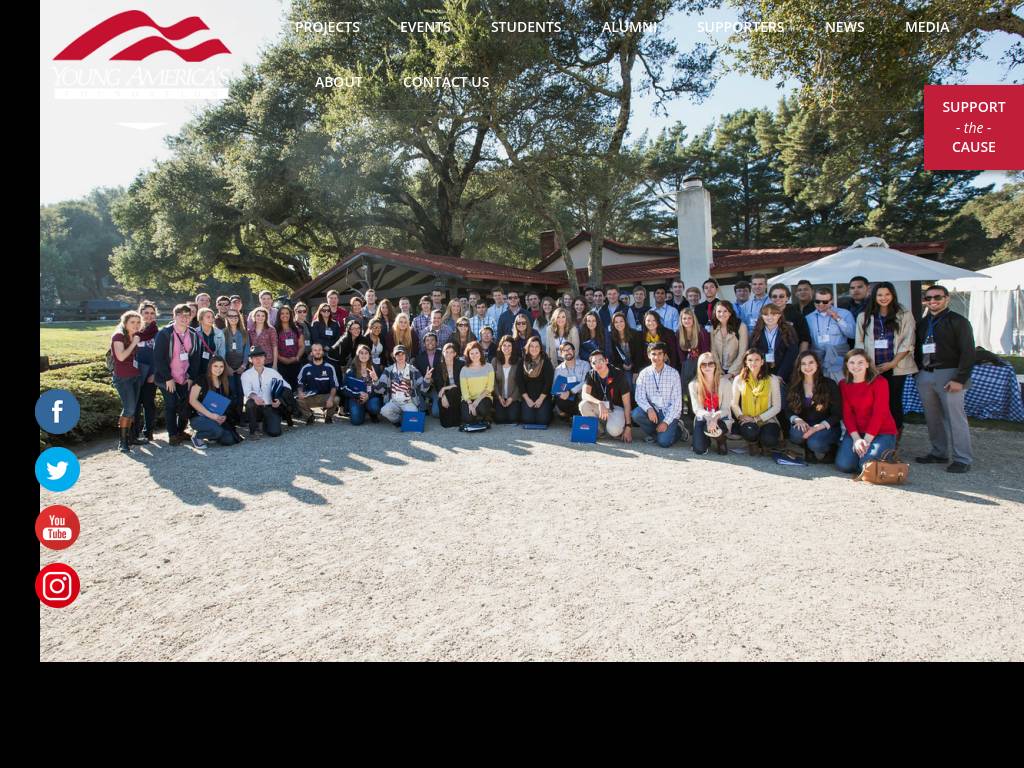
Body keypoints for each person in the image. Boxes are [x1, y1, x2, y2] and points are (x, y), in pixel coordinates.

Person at [913, 285, 975, 473]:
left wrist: (960, 379)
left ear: (947, 298)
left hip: (950, 374)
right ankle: (938, 452)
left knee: (955, 418)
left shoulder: (959, 321)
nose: (933, 301)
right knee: (933, 417)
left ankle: (962, 458)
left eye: (937, 297)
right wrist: (918, 373)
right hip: (926, 374)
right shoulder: (923, 323)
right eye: (928, 298)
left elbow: (968, 352)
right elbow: (917, 348)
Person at [855, 281, 917, 441]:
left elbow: (908, 341)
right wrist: (867, 365)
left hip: (896, 366)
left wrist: (893, 363)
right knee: (873, 403)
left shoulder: (904, 314)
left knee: (893, 402)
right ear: (874, 297)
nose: (883, 298)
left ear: (893, 295)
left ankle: (894, 439)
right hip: (872, 368)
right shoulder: (864, 316)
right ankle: (875, 435)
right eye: (880, 295)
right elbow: (859, 343)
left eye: (887, 294)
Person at [835, 349, 899, 474]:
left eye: (860, 362)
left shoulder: (880, 382)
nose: (856, 366)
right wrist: (857, 439)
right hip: (857, 432)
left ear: (867, 364)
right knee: (844, 466)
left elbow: (879, 413)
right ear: (847, 365)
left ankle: (885, 454)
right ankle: (865, 457)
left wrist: (867, 440)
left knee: (866, 465)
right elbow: (847, 414)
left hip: (882, 432)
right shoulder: (843, 384)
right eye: (852, 362)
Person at [153, 304, 203, 445]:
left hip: (184, 377)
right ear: (174, 316)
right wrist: (168, 378)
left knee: (185, 404)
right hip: (167, 377)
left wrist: (191, 377)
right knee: (171, 404)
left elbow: (195, 358)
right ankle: (172, 434)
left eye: (187, 315)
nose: (184, 318)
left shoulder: (193, 334)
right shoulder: (164, 334)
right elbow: (158, 358)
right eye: (181, 315)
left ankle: (181, 431)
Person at [785, 351, 842, 463]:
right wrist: (797, 419)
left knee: (815, 443)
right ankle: (808, 449)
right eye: (803, 364)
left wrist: (817, 427)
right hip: (805, 425)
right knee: (796, 434)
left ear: (817, 364)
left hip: (825, 426)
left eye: (811, 362)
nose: (807, 367)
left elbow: (837, 414)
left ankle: (830, 449)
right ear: (799, 367)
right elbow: (788, 410)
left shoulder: (829, 384)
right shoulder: (794, 385)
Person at [729, 349, 783, 456]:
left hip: (768, 419)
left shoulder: (772, 379)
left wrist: (756, 419)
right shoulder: (739, 379)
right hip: (747, 418)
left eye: (757, 360)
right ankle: (753, 443)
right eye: (750, 360)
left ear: (762, 362)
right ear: (745, 362)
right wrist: (740, 416)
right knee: (750, 432)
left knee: (769, 439)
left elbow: (777, 406)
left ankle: (764, 444)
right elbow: (734, 403)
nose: (753, 363)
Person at [632, 342, 682, 447]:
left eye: (660, 354)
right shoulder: (644, 374)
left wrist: (666, 422)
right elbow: (639, 397)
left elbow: (677, 403)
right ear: (649, 355)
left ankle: (678, 430)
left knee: (664, 443)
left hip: (667, 412)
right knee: (636, 414)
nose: (656, 357)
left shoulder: (674, 374)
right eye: (653, 354)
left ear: (665, 356)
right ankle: (656, 435)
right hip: (653, 410)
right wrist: (649, 409)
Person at [580, 349, 633, 442]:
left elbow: (627, 403)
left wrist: (628, 426)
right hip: (600, 406)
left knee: (614, 431)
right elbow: (584, 394)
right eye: (594, 362)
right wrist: (599, 403)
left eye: (600, 360)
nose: (598, 364)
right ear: (591, 365)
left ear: (606, 361)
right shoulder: (590, 374)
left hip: (615, 408)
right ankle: (600, 431)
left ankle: (614, 426)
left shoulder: (618, 374)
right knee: (583, 405)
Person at [188, 355, 242, 448]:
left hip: (216, 417)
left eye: (221, 366)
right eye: (215, 366)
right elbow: (192, 400)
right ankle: (197, 436)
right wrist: (211, 415)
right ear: (210, 366)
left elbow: (227, 404)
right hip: (199, 417)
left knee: (229, 440)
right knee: (218, 431)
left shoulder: (224, 382)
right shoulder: (201, 379)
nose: (218, 369)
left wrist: (224, 416)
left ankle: (212, 433)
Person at [110, 310, 143, 453]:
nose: (136, 325)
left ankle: (131, 438)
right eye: (132, 322)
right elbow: (121, 357)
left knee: (133, 408)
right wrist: (134, 343)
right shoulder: (118, 336)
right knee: (129, 408)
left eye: (138, 322)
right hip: (123, 378)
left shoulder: (135, 335)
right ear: (125, 323)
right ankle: (122, 442)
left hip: (135, 375)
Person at [374, 345, 432, 426]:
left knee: (413, 414)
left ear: (406, 355)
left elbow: (423, 389)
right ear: (394, 356)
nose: (400, 357)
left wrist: (427, 379)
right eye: (398, 354)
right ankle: (398, 420)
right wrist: (375, 380)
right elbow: (380, 390)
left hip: (408, 402)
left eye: (402, 354)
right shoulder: (388, 370)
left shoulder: (413, 370)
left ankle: (406, 418)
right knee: (384, 411)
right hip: (394, 401)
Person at [807, 287, 855, 382]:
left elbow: (852, 334)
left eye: (825, 302)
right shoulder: (808, 318)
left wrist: (837, 319)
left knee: (840, 387)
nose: (821, 304)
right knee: (820, 388)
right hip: (817, 361)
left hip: (838, 360)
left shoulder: (845, 314)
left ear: (831, 301)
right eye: (817, 301)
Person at [689, 352, 733, 456]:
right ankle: (706, 438)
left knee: (716, 430)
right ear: (699, 367)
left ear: (715, 365)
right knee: (699, 450)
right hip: (703, 417)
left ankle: (721, 440)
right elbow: (697, 408)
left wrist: (714, 418)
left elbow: (726, 408)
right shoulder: (693, 384)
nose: (707, 367)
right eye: (703, 364)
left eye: (710, 364)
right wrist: (709, 418)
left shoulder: (725, 383)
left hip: (721, 417)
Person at [240, 346, 289, 438]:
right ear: (251, 360)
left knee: (275, 433)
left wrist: (279, 399)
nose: (258, 359)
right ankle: (253, 431)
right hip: (256, 408)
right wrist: (255, 397)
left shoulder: (272, 372)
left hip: (270, 406)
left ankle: (265, 423)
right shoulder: (245, 375)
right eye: (255, 357)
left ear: (264, 358)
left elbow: (286, 386)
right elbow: (247, 391)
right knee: (250, 403)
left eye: (261, 357)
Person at [131, 301, 160, 444]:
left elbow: (160, 356)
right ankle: (134, 434)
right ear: (140, 314)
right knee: (135, 404)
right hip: (134, 373)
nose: (149, 316)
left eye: (152, 313)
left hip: (150, 374)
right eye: (146, 313)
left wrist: (154, 373)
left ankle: (148, 432)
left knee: (149, 403)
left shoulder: (158, 333)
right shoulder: (133, 331)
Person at [750, 304, 799, 383]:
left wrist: (781, 375)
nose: (770, 317)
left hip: (784, 374)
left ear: (779, 315)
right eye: (766, 314)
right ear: (762, 316)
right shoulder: (757, 331)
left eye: (773, 314)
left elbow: (792, 353)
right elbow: (753, 352)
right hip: (762, 373)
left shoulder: (788, 330)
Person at [295, 342, 341, 424]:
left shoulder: (330, 367)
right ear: (311, 353)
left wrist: (330, 399)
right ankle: (310, 416)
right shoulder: (306, 368)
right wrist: (300, 392)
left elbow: (334, 386)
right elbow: (299, 383)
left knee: (336, 399)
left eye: (320, 350)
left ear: (323, 352)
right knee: (298, 399)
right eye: (315, 350)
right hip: (311, 397)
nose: (318, 352)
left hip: (325, 397)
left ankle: (328, 416)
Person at [517, 335, 555, 425]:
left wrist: (541, 399)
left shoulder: (546, 361)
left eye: (537, 346)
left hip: (543, 396)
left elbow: (548, 382)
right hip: (527, 396)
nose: (534, 349)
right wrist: (527, 399)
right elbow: (519, 381)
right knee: (528, 420)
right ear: (528, 347)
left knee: (542, 421)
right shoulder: (522, 361)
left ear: (540, 348)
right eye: (532, 346)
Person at [342, 344, 383, 425]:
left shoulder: (375, 368)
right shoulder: (351, 370)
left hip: (371, 397)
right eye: (361, 353)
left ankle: (372, 413)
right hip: (356, 398)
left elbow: (382, 389)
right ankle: (362, 410)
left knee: (374, 407)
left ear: (370, 355)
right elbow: (343, 388)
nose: (364, 355)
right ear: (358, 355)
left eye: (366, 353)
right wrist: (358, 394)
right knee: (356, 422)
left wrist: (376, 380)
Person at [710, 299, 748, 381]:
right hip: (719, 371)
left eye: (725, 311)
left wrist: (731, 373)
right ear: (715, 313)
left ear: (730, 312)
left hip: (737, 371)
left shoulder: (741, 326)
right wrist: (719, 371)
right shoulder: (713, 327)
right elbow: (713, 351)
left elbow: (743, 352)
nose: (722, 314)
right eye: (719, 311)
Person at [552, 341, 591, 420]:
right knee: (560, 400)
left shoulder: (585, 364)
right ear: (561, 354)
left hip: (582, 395)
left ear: (574, 351)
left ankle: (574, 417)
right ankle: (572, 416)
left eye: (569, 349)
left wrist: (571, 391)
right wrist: (562, 393)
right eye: (564, 350)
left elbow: (586, 382)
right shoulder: (558, 369)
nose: (567, 352)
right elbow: (555, 387)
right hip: (567, 398)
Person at [459, 341, 494, 425]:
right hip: (468, 399)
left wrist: (476, 402)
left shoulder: (489, 367)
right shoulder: (464, 369)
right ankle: (478, 416)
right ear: (468, 355)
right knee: (467, 419)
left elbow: (489, 388)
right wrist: (470, 403)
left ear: (481, 353)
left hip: (484, 397)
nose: (474, 355)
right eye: (471, 353)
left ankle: (485, 415)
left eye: (476, 353)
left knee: (482, 408)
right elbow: (464, 390)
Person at [768, 283, 811, 350]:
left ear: (787, 298)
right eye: (774, 296)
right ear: (770, 298)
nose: (778, 298)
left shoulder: (797, 315)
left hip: (792, 353)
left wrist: (801, 355)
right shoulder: (765, 315)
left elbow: (805, 339)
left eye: (781, 296)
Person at [222, 306, 250, 409]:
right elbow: (221, 352)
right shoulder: (223, 332)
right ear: (227, 318)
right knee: (231, 390)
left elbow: (247, 351)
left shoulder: (244, 333)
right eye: (230, 316)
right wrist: (227, 367)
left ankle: (240, 413)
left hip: (241, 366)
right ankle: (231, 414)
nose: (233, 318)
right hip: (227, 367)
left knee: (240, 391)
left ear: (239, 318)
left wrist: (243, 366)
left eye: (235, 316)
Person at [676, 307, 711, 387]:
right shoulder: (679, 333)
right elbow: (680, 352)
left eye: (689, 318)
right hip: (687, 365)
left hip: (701, 363)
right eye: (684, 318)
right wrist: (684, 363)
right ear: (681, 320)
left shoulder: (702, 332)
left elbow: (705, 351)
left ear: (693, 319)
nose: (687, 321)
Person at [431, 342, 464, 427]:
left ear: (455, 354)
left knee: (454, 390)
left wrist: (444, 388)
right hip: (444, 393)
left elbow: (461, 383)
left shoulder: (460, 364)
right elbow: (438, 384)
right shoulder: (439, 366)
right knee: (445, 424)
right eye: (447, 352)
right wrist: (443, 396)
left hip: (459, 392)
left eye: (451, 352)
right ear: (443, 353)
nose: (449, 354)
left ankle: (456, 417)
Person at [274, 305, 305, 389]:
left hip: (296, 363)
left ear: (290, 315)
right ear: (279, 316)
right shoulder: (274, 330)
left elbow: (302, 346)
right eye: (282, 313)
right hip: (281, 364)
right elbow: (274, 347)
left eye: (287, 313)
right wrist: (282, 359)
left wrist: (297, 357)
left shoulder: (297, 329)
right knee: (285, 389)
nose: (285, 315)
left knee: (297, 388)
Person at [492, 335, 522, 424]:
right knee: (499, 419)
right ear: (500, 347)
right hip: (499, 397)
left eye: (509, 346)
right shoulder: (495, 361)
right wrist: (499, 397)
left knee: (513, 418)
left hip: (514, 398)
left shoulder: (519, 361)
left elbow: (520, 383)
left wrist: (511, 398)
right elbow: (493, 382)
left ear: (513, 347)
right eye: (504, 345)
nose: (506, 348)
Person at [608, 311, 643, 382]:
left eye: (621, 321)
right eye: (616, 322)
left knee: (636, 383)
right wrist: (622, 365)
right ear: (613, 324)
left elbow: (639, 354)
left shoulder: (635, 334)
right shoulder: (612, 337)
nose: (619, 324)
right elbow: (614, 356)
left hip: (636, 365)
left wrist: (636, 371)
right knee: (627, 382)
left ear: (625, 322)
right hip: (622, 366)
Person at [311, 302, 343, 375]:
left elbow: (338, 339)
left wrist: (332, 348)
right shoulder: (315, 323)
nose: (326, 312)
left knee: (335, 373)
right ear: (320, 312)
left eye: (328, 310)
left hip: (333, 353)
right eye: (324, 310)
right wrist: (325, 347)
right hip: (321, 353)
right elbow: (316, 338)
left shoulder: (335, 323)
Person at [195, 308, 226, 379]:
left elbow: (222, 352)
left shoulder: (219, 332)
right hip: (198, 368)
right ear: (201, 319)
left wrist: (220, 368)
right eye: (208, 317)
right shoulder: (195, 332)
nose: (211, 319)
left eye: (212, 317)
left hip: (214, 369)